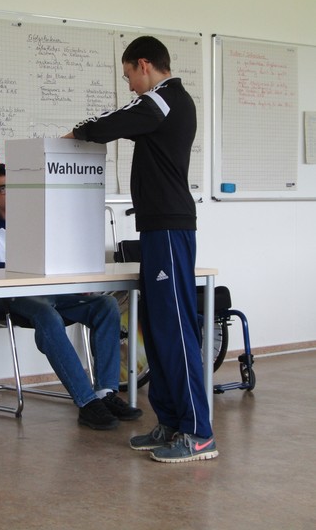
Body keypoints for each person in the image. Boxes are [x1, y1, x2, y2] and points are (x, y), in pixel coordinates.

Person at [63, 36, 218, 462]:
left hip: (169, 230)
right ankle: (169, 422)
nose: (130, 84)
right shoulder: (159, 109)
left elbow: (116, 119)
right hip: (155, 230)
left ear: (145, 65)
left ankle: (198, 434)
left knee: (175, 331)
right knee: (156, 328)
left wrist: (75, 133)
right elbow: (128, 122)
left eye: (130, 74)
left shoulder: (166, 99)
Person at [0, 163, 142, 431]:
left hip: (51, 293)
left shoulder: (40, 221)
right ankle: (86, 403)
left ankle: (105, 394)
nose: (12, 193)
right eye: (3, 188)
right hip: (10, 297)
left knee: (105, 305)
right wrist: (7, 269)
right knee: (46, 315)